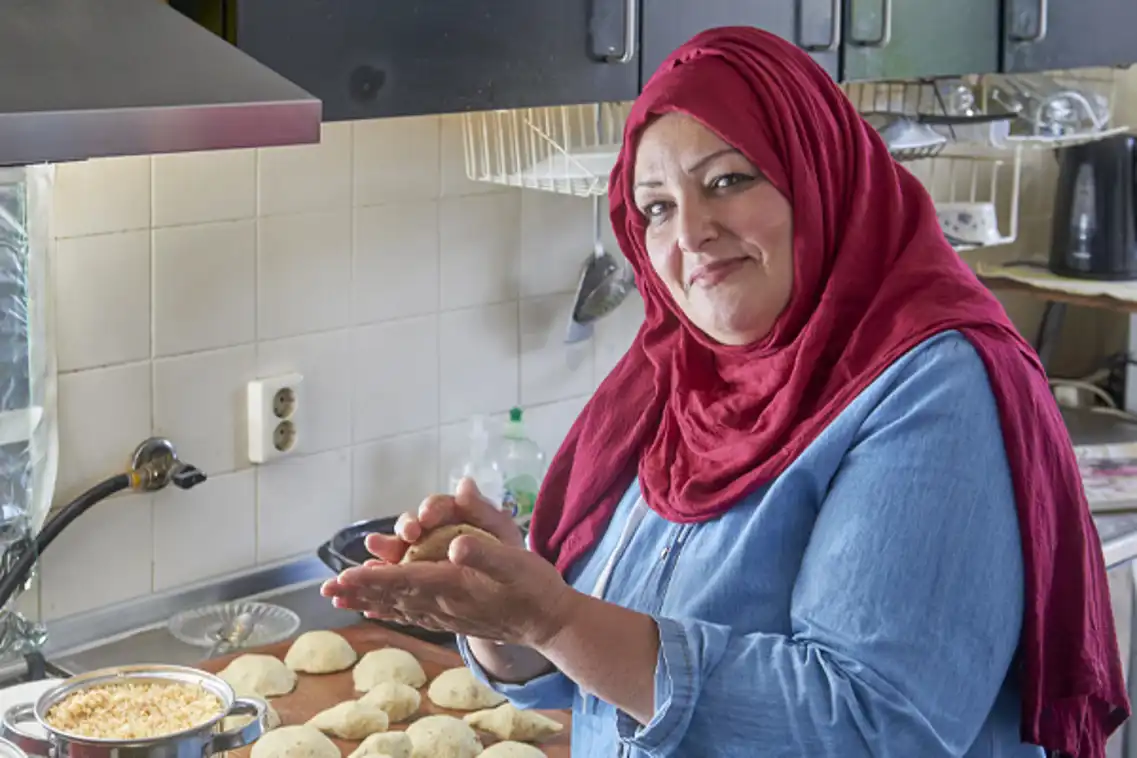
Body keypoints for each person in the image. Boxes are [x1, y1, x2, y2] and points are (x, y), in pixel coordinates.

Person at [321, 25, 1130, 757]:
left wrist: (555, 616)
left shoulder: (932, 386)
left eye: (728, 179)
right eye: (657, 208)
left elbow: (874, 727)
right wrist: (504, 617)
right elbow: (610, 673)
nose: (691, 234)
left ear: (816, 175)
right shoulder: (676, 381)